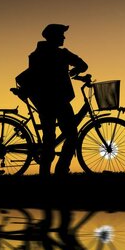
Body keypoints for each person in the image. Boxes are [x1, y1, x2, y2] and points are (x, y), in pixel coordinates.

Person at [24, 24, 88, 176]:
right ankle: (61, 170)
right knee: (72, 135)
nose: (64, 37)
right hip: (60, 100)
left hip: (43, 101)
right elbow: (83, 65)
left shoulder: (35, 55)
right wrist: (76, 71)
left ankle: (44, 174)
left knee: (49, 139)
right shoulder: (62, 54)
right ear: (54, 36)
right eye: (61, 34)